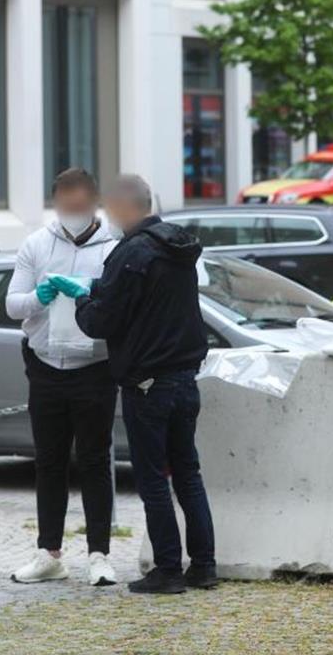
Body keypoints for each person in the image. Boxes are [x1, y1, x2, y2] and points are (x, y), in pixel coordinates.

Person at [50, 175, 217, 595]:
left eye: (108, 209)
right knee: (188, 474)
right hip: (184, 377)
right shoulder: (179, 246)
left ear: (124, 207)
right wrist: (100, 291)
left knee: (153, 479)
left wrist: (84, 299)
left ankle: (167, 570)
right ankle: (203, 566)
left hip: (148, 382)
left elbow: (102, 321)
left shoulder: (133, 252)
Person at [5, 167, 119, 587]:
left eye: (80, 202)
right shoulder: (36, 244)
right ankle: (48, 552)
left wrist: (88, 294)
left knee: (94, 462)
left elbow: (121, 306)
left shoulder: (114, 248)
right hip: (46, 366)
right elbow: (12, 305)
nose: (73, 209)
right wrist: (39, 297)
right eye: (65, 202)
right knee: (49, 462)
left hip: (95, 368)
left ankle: (99, 555)